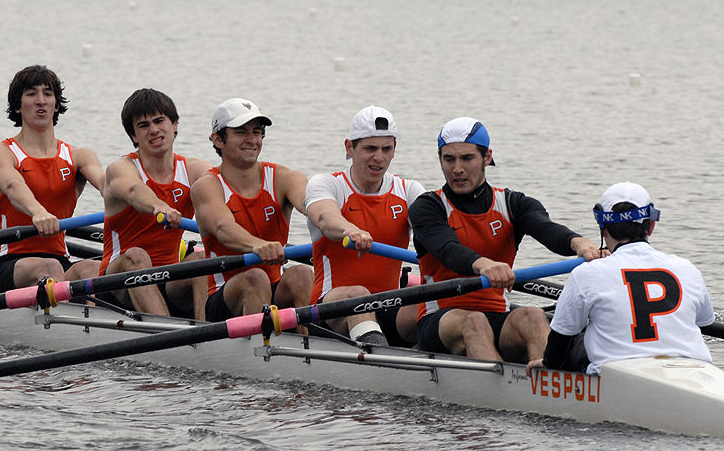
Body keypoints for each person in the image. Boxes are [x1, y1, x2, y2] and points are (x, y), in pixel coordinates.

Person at [409, 117, 602, 362]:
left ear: (487, 157)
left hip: (496, 315)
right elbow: (449, 250)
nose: (457, 168)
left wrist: (579, 243)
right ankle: (504, 393)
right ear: (440, 159)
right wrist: (484, 265)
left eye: (467, 158)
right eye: (449, 159)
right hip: (440, 320)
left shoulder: (513, 203)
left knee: (532, 315)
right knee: (474, 321)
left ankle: (548, 385)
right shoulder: (427, 207)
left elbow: (546, 229)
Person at [526, 182, 714, 376]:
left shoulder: (586, 273)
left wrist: (548, 363)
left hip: (618, 377)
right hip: (695, 372)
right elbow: (704, 321)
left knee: (579, 334)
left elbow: (561, 339)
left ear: (603, 229)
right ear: (651, 226)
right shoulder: (687, 269)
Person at [305, 106, 425, 347]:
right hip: (331, 310)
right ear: (349, 148)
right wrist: (349, 229)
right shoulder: (327, 184)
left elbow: (436, 231)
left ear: (394, 150)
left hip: (390, 306)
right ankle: (380, 359)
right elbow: (326, 218)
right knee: (359, 294)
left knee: (431, 298)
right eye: (370, 148)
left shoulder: (409, 190)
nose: (379, 157)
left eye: (386, 149)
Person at [0, 65, 105, 293]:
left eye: (47, 94)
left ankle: (93, 322)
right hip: (10, 263)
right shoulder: (1, 152)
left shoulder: (79, 156)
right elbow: (12, 185)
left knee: (93, 268)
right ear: (18, 107)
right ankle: (71, 323)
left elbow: (107, 185)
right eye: (31, 94)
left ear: (56, 105)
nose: (41, 100)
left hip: (60, 260)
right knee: (50, 267)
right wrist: (37, 212)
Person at [191, 97, 312, 322]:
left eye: (257, 132)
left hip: (274, 287)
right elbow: (223, 228)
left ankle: (308, 345)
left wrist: (337, 224)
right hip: (225, 294)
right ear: (218, 139)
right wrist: (258, 245)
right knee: (255, 277)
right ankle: (260, 349)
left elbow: (313, 206)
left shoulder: (284, 178)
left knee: (302, 274)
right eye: (241, 132)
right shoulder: (207, 186)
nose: (252, 140)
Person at [98, 89, 211, 318]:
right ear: (133, 136)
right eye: (143, 125)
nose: (154, 130)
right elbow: (133, 190)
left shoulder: (194, 170)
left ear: (175, 125)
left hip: (168, 279)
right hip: (118, 280)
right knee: (137, 255)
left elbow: (226, 191)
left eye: (159, 121)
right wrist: (158, 206)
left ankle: (207, 333)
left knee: (201, 259)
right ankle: (169, 335)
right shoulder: (121, 168)